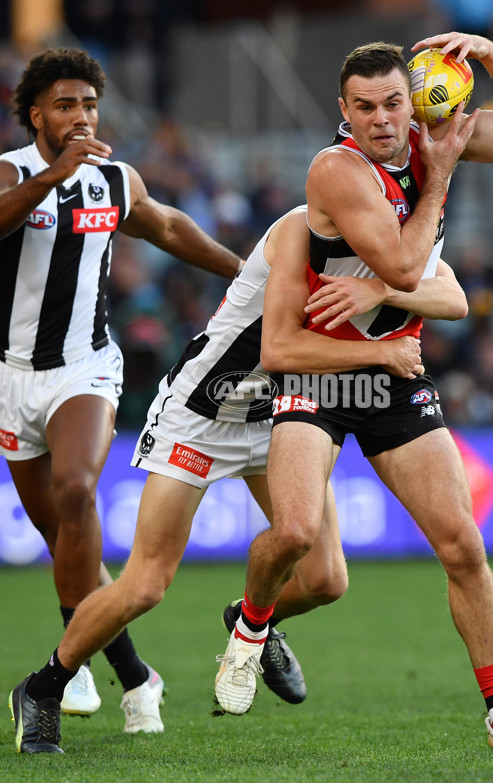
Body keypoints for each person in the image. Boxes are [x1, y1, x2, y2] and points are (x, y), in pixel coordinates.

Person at [214, 33, 493, 749]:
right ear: (343, 110)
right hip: (318, 367)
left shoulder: (426, 138)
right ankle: (250, 623)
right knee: (294, 533)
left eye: (394, 104)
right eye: (365, 107)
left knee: (463, 544)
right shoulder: (337, 170)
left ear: (414, 102)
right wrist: (439, 175)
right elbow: (410, 270)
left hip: (392, 371)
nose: (382, 119)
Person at [7, 201, 468, 753]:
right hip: (204, 412)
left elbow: (453, 296)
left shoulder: (385, 247)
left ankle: (250, 618)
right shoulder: (302, 232)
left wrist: (390, 292)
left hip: (280, 412)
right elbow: (280, 349)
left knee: (326, 580)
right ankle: (43, 687)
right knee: (147, 583)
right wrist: (384, 350)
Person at [0, 47, 242, 734]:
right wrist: (52, 176)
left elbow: (166, 226)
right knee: (62, 537)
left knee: (77, 491)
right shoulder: (12, 174)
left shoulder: (113, 179)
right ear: (36, 113)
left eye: (90, 104)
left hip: (87, 369)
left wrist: (246, 274)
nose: (81, 116)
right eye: (66, 105)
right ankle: (137, 675)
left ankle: (62, 670)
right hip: (13, 376)